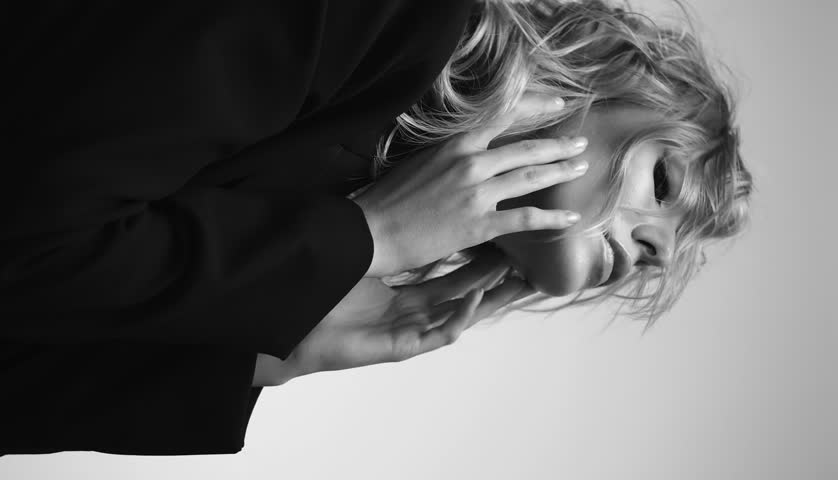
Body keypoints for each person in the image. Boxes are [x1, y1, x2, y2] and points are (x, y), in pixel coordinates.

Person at [0, 0, 750, 457]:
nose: (652, 253)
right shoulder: (379, 15)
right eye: (663, 180)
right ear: (598, 72)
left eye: (662, 259)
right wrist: (366, 238)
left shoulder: (347, 194)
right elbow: (27, 240)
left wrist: (275, 362)